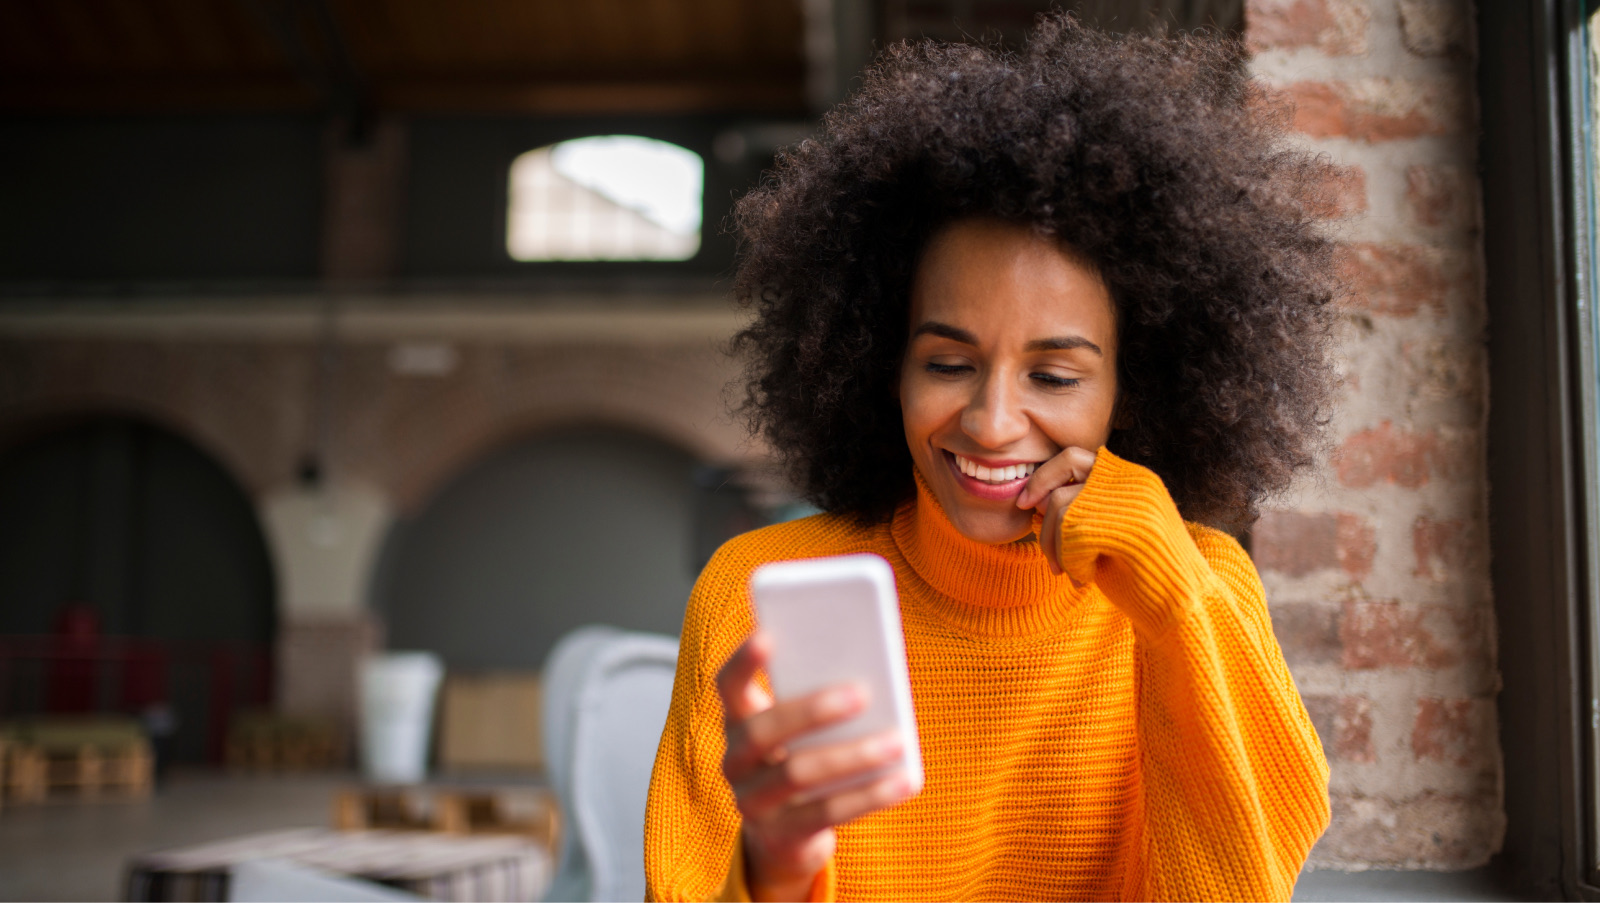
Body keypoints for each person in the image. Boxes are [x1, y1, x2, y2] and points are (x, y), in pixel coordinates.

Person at [645, 14, 1338, 902]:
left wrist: (1172, 601)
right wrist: (777, 864)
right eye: (947, 363)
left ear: (1134, 386)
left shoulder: (1203, 585)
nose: (991, 419)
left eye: (1053, 375)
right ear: (878, 363)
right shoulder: (757, 589)